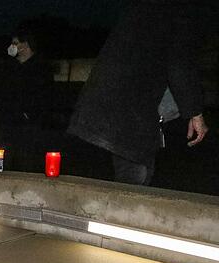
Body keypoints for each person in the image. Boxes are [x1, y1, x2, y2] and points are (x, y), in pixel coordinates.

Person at [67, 0, 208, 185]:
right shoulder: (180, 11)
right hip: (128, 110)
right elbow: (180, 65)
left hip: (111, 104)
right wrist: (195, 113)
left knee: (132, 174)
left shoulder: (147, 9)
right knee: (135, 180)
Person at [0, 29, 53, 172]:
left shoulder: (40, 68)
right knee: (2, 162)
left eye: (15, 43)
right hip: (5, 122)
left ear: (25, 45)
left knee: (25, 162)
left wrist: (29, 113)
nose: (12, 46)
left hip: (27, 125)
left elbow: (44, 95)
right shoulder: (8, 66)